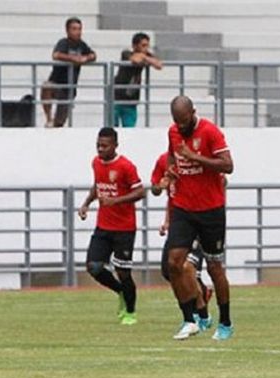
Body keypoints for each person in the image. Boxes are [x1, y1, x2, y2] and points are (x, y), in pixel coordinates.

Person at [165, 96, 233, 341]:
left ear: (193, 112)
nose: (181, 127)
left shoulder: (210, 132)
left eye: (184, 122)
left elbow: (228, 165)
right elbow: (172, 156)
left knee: (215, 268)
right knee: (173, 263)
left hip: (211, 210)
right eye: (177, 123)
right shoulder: (173, 132)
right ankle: (189, 319)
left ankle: (225, 322)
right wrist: (171, 169)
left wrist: (195, 158)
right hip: (184, 208)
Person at [78, 127, 144, 325]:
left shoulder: (126, 166)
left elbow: (141, 192)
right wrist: (86, 203)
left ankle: (130, 312)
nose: (100, 149)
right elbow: (98, 185)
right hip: (103, 226)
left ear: (115, 145)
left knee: (123, 272)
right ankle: (121, 292)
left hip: (124, 228)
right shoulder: (96, 163)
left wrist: (116, 201)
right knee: (94, 266)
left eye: (105, 146)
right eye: (98, 145)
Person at [150, 151, 213, 330]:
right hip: (178, 224)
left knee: (186, 267)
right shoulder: (164, 160)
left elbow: (221, 180)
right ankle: (200, 303)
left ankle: (199, 315)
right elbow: (158, 190)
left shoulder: (198, 159)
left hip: (198, 222)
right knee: (168, 270)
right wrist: (160, 186)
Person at [41, 17, 96, 128]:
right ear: (67, 30)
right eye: (74, 29)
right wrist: (73, 58)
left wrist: (86, 58)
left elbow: (93, 55)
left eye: (79, 29)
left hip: (69, 89)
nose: (78, 32)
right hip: (56, 82)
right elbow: (56, 55)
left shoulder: (82, 45)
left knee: (59, 123)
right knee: (46, 86)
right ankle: (48, 118)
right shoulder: (63, 42)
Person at [113, 32, 163, 128]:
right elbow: (135, 60)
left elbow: (159, 65)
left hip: (131, 99)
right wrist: (145, 58)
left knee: (130, 129)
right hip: (116, 97)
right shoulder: (126, 53)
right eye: (143, 45)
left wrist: (145, 57)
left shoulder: (146, 55)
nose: (146, 49)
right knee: (112, 128)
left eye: (147, 46)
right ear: (134, 46)